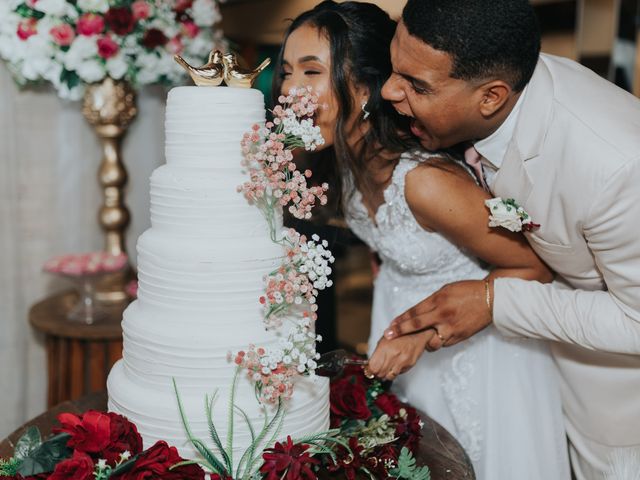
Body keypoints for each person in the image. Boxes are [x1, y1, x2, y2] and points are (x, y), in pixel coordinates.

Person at [273, 2, 570, 478]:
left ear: (369, 88)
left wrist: (427, 334)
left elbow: (535, 269)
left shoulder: (426, 182)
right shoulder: (345, 164)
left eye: (312, 71)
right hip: (403, 342)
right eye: (287, 71)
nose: (290, 89)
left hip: (483, 359)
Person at [379, 1, 640, 478]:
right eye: (396, 69)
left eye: (416, 85)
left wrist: (494, 301)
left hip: (617, 423)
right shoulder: (483, 100)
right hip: (526, 384)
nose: (389, 89)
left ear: (491, 98)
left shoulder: (617, 167)